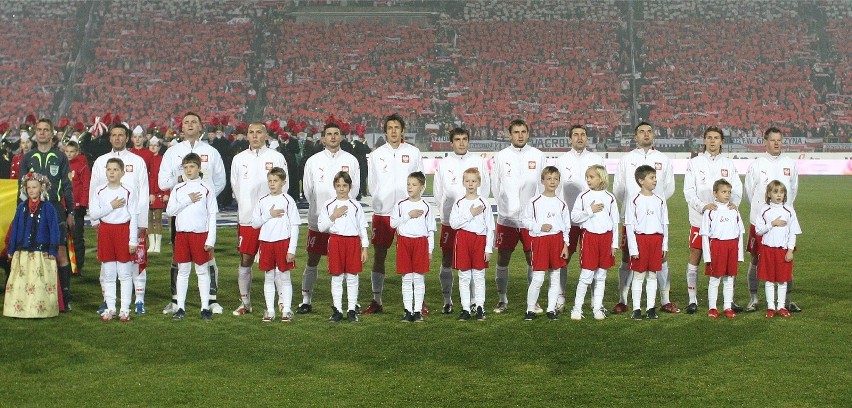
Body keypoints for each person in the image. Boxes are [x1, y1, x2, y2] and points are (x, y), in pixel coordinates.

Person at [159, 112, 226, 315]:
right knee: (178, 258)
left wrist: (206, 200)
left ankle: (211, 300)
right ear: (181, 127)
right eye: (186, 122)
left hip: (203, 214)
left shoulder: (211, 152)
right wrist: (183, 185)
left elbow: (220, 181)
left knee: (208, 256)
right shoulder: (172, 152)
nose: (189, 125)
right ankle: (176, 301)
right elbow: (163, 182)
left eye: (193, 122)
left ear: (200, 126)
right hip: (180, 213)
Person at [612, 122, 675, 315]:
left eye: (649, 132)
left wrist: (653, 206)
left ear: (653, 135)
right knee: (627, 258)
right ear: (635, 136)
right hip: (633, 219)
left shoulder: (663, 159)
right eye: (641, 132)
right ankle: (623, 300)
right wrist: (636, 207)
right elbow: (619, 190)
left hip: (655, 220)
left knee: (661, 259)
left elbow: (669, 189)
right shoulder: (626, 159)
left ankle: (665, 300)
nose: (646, 135)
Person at [362, 114, 423, 315]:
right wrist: (380, 200)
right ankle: (377, 300)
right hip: (383, 212)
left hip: (409, 211)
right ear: (385, 131)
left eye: (397, 127)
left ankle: (418, 302)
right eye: (390, 128)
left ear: (403, 130)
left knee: (413, 256)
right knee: (379, 254)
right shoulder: (377, 154)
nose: (394, 131)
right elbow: (372, 183)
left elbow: (420, 180)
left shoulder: (413, 152)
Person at [297, 122, 360, 314]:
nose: (333, 137)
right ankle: (306, 300)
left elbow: (354, 191)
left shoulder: (351, 160)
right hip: (319, 222)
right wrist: (322, 212)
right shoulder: (313, 161)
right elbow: (308, 192)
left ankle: (351, 303)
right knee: (313, 259)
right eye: (329, 134)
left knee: (347, 265)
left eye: (336, 133)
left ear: (341, 137)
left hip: (345, 225)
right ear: (323, 138)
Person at [90, 124, 150, 315]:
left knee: (135, 261)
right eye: (114, 135)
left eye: (121, 135)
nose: (117, 138)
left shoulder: (137, 161)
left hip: (130, 223)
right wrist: (95, 221)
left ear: (127, 138)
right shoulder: (100, 161)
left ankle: (138, 300)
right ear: (109, 138)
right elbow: (94, 190)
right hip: (107, 223)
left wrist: (141, 223)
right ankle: (107, 301)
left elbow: (143, 192)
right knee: (106, 266)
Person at [683, 127, 743, 314]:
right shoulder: (695, 163)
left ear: (722, 141)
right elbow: (688, 191)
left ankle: (728, 301)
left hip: (724, 223)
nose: (712, 141)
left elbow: (738, 189)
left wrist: (733, 205)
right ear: (704, 140)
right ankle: (692, 299)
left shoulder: (728, 164)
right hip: (699, 219)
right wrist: (702, 206)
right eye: (709, 137)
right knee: (695, 256)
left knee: (726, 259)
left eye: (716, 138)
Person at [230, 123, 287, 316]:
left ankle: (281, 302)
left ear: (266, 135)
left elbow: (283, 187)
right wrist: (248, 208)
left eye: (259, 132)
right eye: (251, 133)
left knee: (276, 262)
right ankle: (245, 303)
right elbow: (235, 187)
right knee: (245, 259)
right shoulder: (239, 159)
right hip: (247, 219)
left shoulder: (276, 157)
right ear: (247, 136)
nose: (255, 136)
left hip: (272, 219)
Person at [433, 127, 491, 314]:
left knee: (475, 262)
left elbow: (486, 188)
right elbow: (438, 193)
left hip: (475, 224)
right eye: (457, 139)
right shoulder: (443, 164)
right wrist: (446, 215)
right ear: (451, 143)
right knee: (447, 259)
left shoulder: (478, 162)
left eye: (464, 139)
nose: (461, 142)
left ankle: (474, 301)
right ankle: (447, 299)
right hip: (451, 222)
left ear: (468, 141)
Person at [490, 119, 545, 314]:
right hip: (507, 218)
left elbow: (542, 186)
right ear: (509, 134)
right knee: (503, 257)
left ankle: (534, 301)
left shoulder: (538, 156)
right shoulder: (501, 156)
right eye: (516, 132)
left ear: (528, 134)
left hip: (531, 219)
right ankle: (502, 299)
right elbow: (495, 185)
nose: (520, 135)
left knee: (533, 258)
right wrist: (505, 207)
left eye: (523, 131)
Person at [19, 119, 74, 312]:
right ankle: (37, 297)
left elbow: (67, 186)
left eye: (46, 130)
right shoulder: (28, 158)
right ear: (35, 133)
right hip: (32, 211)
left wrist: (70, 212)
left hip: (55, 209)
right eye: (39, 130)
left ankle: (65, 299)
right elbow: (21, 188)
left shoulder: (60, 157)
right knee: (34, 253)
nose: (42, 133)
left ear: (52, 133)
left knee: (60, 254)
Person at [744, 127, 799, 313]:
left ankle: (787, 301)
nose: (776, 143)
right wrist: (765, 215)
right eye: (772, 140)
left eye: (779, 140)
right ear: (765, 142)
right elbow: (749, 193)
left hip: (784, 224)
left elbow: (793, 191)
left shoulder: (790, 164)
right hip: (760, 222)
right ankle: (753, 298)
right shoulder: (757, 164)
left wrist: (783, 214)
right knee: (756, 258)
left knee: (786, 258)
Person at [554, 125, 605, 312]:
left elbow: (603, 188)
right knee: (563, 258)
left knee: (594, 260)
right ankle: (560, 297)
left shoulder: (596, 159)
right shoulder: (562, 160)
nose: (580, 138)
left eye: (583, 134)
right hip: (569, 220)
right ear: (570, 139)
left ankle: (594, 300)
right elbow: (557, 191)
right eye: (575, 135)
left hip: (592, 221)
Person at [165, 153, 218, 321]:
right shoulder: (178, 189)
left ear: (199, 168)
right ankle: (180, 307)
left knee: (202, 271)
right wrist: (187, 201)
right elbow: (170, 211)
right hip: (182, 235)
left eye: (192, 167)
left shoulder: (207, 188)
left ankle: (204, 307)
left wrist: (210, 239)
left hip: (200, 235)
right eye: (186, 167)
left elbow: (212, 215)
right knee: (183, 271)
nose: (188, 170)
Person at [3, 173, 60, 318]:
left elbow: (54, 229)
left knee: (39, 281)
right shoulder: (21, 207)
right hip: (22, 251)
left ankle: (40, 310)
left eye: (34, 187)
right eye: (28, 187)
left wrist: (53, 249)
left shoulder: (48, 208)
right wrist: (11, 248)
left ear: (42, 188)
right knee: (21, 281)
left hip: (41, 252)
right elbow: (15, 228)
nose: (31, 190)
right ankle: (19, 309)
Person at [89, 158, 139, 322]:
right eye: (109, 169)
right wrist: (111, 206)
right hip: (106, 232)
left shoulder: (129, 190)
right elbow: (94, 214)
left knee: (124, 274)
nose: (111, 172)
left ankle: (125, 309)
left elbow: (133, 217)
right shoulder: (99, 190)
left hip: (123, 232)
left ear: (122, 172)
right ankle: (111, 308)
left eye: (115, 169)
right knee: (109, 274)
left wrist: (133, 240)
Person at [521, 166, 570, 321]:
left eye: (555, 178)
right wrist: (538, 227)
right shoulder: (534, 202)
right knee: (538, 278)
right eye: (549, 178)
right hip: (540, 241)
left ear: (559, 181)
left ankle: (551, 309)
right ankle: (530, 310)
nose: (552, 181)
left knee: (555, 277)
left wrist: (565, 244)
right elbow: (525, 220)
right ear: (542, 181)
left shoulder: (562, 204)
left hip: (557, 242)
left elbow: (566, 226)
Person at [318, 171, 369, 323]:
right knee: (337, 276)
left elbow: (362, 227)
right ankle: (337, 310)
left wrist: (365, 247)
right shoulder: (328, 204)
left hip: (353, 242)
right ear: (334, 186)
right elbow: (321, 227)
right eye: (338, 185)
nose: (341, 189)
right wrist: (334, 216)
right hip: (336, 241)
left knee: (353, 276)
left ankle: (352, 310)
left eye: (344, 185)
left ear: (350, 187)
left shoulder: (355, 205)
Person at [570, 165, 619, 320]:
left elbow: (615, 222)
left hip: (606, 239)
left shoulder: (610, 197)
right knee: (586, 274)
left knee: (601, 275)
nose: (588, 180)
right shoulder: (583, 196)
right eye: (587, 177)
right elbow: (574, 217)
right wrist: (590, 211)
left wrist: (614, 244)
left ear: (601, 178)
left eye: (592, 177)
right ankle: (577, 308)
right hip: (589, 238)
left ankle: (597, 308)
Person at [251, 167, 300, 322]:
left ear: (283, 182)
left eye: (275, 181)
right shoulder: (262, 201)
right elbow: (254, 224)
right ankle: (271, 310)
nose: (272, 184)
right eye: (270, 181)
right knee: (269, 276)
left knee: (284, 276)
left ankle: (286, 309)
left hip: (283, 242)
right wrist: (268, 215)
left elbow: (295, 226)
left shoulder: (288, 200)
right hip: (266, 243)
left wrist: (291, 249)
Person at [449, 168, 494, 321]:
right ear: (463, 182)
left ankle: (480, 307)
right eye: (467, 181)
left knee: (479, 276)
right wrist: (470, 214)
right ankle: (466, 309)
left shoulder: (484, 202)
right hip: (463, 240)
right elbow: (453, 224)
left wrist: (488, 248)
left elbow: (490, 227)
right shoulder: (459, 203)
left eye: (473, 181)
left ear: (479, 183)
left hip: (479, 241)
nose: (470, 184)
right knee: (464, 276)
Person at [624, 165, 669, 320]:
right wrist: (633, 249)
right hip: (640, 240)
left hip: (656, 240)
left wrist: (665, 245)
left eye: (655, 177)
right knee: (638, 275)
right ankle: (636, 309)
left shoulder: (660, 200)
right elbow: (629, 225)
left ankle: (650, 308)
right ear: (641, 180)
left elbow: (665, 224)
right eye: (651, 177)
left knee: (652, 275)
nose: (655, 180)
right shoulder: (634, 200)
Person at [390, 171, 436, 323]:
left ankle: (417, 311)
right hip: (404, 242)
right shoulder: (400, 205)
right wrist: (408, 215)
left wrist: (430, 250)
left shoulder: (427, 206)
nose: (410, 187)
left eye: (414, 185)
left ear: (422, 187)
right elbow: (393, 223)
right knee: (406, 278)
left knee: (419, 278)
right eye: (408, 184)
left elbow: (431, 230)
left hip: (420, 243)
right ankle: (407, 310)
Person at [754, 181, 801, 319]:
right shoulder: (764, 210)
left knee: (782, 280)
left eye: (781, 192)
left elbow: (793, 232)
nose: (779, 195)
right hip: (768, 250)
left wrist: (790, 250)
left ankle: (781, 306)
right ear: (769, 194)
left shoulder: (789, 210)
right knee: (769, 280)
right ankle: (770, 307)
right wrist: (772, 224)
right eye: (775, 192)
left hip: (783, 251)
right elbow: (758, 231)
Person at [699, 179, 745, 319]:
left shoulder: (734, 210)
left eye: (729, 192)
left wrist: (739, 255)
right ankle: (712, 307)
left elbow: (740, 233)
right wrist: (707, 256)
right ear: (715, 193)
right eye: (723, 192)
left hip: (731, 247)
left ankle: (727, 307)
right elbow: (705, 234)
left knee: (729, 278)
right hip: (717, 247)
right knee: (715, 279)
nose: (727, 195)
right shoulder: (710, 212)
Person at [64, 141, 91, 276]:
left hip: (77, 207)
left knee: (77, 237)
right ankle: (65, 266)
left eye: (72, 151)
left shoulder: (82, 166)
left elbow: (86, 186)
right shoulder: (62, 164)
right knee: (63, 237)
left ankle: (78, 267)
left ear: (77, 152)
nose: (69, 154)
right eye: (67, 151)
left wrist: (83, 204)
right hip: (63, 207)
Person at [147, 136, 167, 253]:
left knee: (158, 219)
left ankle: (158, 245)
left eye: (155, 145)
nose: (153, 147)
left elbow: (166, 177)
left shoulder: (162, 160)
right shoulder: (145, 159)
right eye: (151, 145)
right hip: (147, 193)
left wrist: (165, 192)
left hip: (159, 192)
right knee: (148, 219)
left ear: (159, 147)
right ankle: (151, 244)